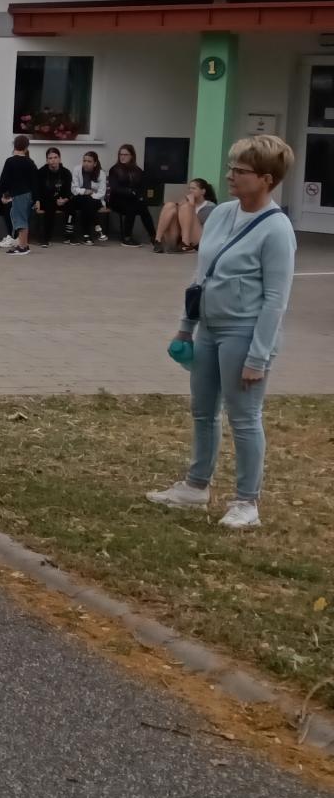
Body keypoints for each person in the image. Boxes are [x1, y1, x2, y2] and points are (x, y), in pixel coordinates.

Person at [148, 137, 297, 531]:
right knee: (202, 410)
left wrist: (258, 356)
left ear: (266, 179)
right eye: (231, 167)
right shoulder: (221, 214)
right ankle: (195, 486)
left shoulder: (277, 229)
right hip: (209, 329)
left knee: (244, 417)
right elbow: (201, 275)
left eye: (240, 170)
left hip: (244, 333)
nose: (230, 175)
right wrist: (186, 327)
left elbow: (276, 299)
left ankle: (247, 502)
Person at [0, 136, 38, 255]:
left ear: (14, 145)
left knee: (20, 220)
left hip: (18, 194)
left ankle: (22, 247)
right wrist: (36, 198)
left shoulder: (10, 161)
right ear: (26, 147)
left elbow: (4, 179)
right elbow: (35, 181)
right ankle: (23, 244)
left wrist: (0, 195)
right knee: (23, 219)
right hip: (28, 194)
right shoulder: (30, 162)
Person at [154, 176, 217, 254]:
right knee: (169, 205)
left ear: (203, 191)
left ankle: (186, 243)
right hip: (178, 237)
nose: (190, 191)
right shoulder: (186, 203)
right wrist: (179, 207)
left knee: (186, 207)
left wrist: (191, 206)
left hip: (198, 239)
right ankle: (157, 240)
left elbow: (205, 227)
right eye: (189, 188)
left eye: (194, 188)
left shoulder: (210, 206)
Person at [106, 144, 150, 246]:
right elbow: (115, 188)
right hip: (116, 201)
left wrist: (141, 197)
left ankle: (154, 236)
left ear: (132, 156)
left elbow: (142, 187)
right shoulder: (114, 169)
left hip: (132, 200)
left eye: (125, 154)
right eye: (121, 154)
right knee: (132, 206)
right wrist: (131, 192)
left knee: (143, 207)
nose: (122, 157)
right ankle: (127, 238)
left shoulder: (138, 170)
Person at [29, 147, 72, 247]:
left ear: (60, 159)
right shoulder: (41, 172)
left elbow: (68, 190)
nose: (53, 160)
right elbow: (37, 190)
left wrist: (65, 199)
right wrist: (37, 200)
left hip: (61, 200)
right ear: (47, 160)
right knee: (50, 206)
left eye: (55, 157)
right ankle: (45, 237)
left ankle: (70, 235)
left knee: (71, 205)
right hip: (46, 200)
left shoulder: (66, 172)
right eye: (50, 158)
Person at [68, 150, 106, 243]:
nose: (86, 163)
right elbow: (74, 189)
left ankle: (86, 234)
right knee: (85, 202)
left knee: (88, 202)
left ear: (95, 163)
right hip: (79, 199)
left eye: (89, 161)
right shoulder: (77, 169)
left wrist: (91, 195)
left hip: (96, 200)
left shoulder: (101, 173)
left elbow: (101, 193)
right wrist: (85, 191)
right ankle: (97, 228)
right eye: (84, 161)